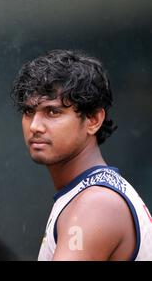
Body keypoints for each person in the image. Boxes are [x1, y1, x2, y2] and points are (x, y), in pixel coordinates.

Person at [11, 49, 152, 261]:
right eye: (29, 112)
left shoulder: (96, 203)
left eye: (53, 112)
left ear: (93, 120)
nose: (35, 126)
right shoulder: (89, 194)